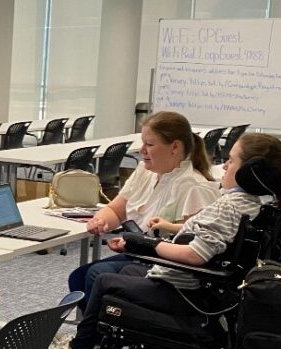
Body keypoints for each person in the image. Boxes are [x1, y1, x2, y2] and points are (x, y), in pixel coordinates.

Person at [44, 132, 281, 349]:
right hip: (203, 287)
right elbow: (209, 240)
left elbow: (196, 255)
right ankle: (100, 348)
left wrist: (150, 244)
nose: (224, 165)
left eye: (232, 160)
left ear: (250, 171)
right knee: (127, 268)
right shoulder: (259, 205)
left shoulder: (230, 206)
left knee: (102, 280)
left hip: (185, 290)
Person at [69, 111, 217, 302]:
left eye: (149, 144)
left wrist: (139, 245)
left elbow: (192, 248)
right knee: (78, 278)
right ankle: (98, 327)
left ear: (175, 147)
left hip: (166, 265)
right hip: (141, 254)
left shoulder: (195, 187)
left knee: (96, 274)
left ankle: (96, 329)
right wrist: (101, 220)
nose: (142, 151)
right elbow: (116, 210)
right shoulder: (145, 172)